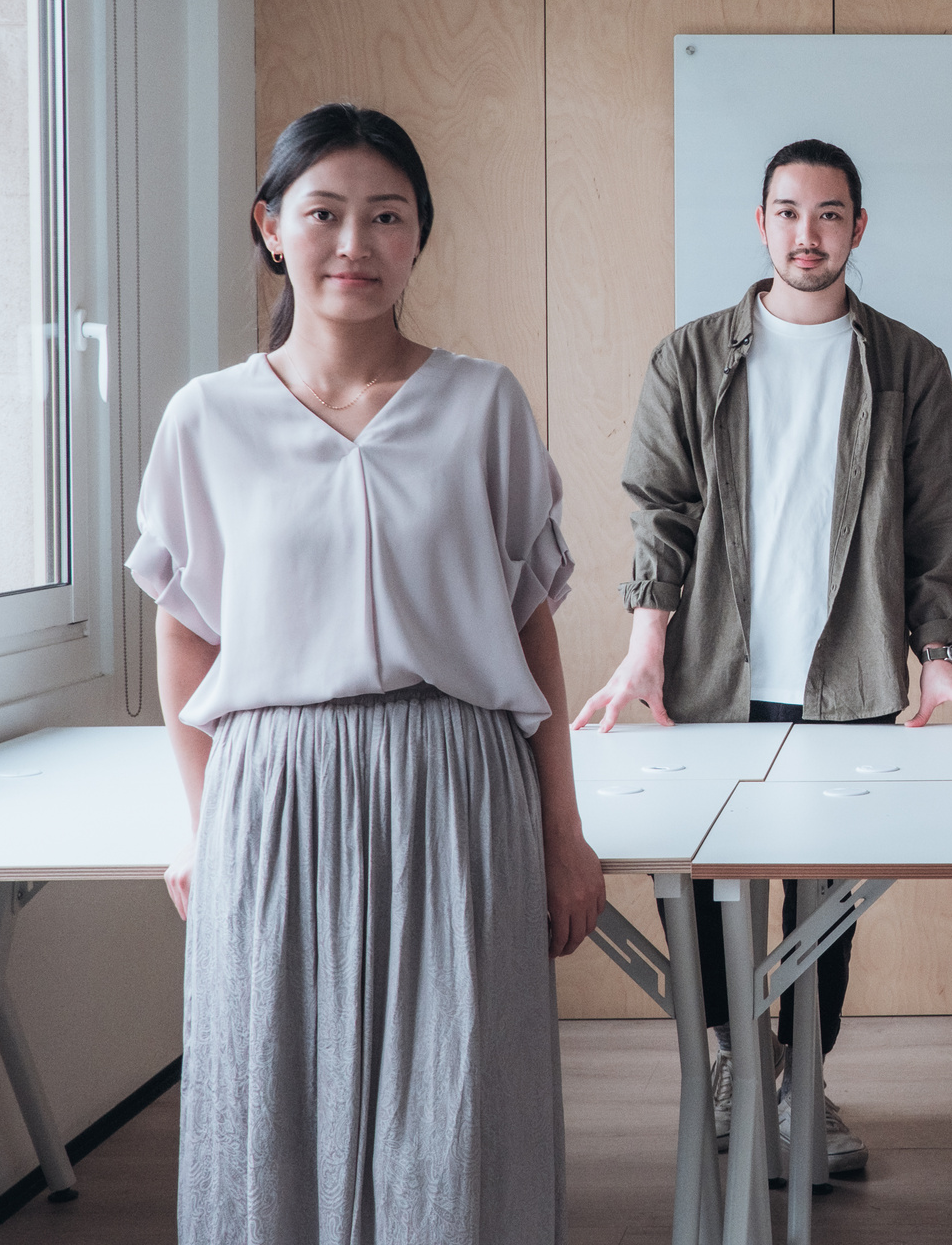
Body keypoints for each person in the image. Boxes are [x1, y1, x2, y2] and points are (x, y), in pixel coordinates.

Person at [131, 104, 606, 1245]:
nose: (355, 242)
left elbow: (528, 618)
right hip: (275, 788)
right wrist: (201, 823)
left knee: (456, 1107)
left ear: (418, 239)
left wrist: (563, 826)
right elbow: (185, 628)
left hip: (456, 778)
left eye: (386, 216)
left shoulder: (483, 402)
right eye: (325, 212)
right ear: (272, 228)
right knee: (272, 1100)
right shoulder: (208, 417)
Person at [578, 137, 952, 1176]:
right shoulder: (689, 358)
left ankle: (803, 1080)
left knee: (822, 906)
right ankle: (738, 1062)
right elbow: (659, 509)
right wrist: (648, 637)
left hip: (849, 675)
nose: (805, 233)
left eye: (828, 214)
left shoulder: (909, 363)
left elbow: (939, 519)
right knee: (700, 888)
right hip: (712, 677)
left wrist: (939, 649)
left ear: (857, 228)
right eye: (786, 211)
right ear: (760, 223)